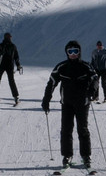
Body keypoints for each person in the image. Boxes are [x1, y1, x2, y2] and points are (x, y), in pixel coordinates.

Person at [42, 40, 98, 168]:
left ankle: (86, 156)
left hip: (82, 102)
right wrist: (46, 99)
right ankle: (67, 155)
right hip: (67, 103)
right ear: (67, 53)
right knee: (66, 129)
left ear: (79, 52)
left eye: (75, 51)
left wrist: (92, 91)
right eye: (70, 51)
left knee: (82, 129)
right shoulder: (61, 67)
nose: (73, 54)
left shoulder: (86, 66)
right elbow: (51, 83)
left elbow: (95, 79)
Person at [0, 32, 22, 104]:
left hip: (9, 65)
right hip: (2, 64)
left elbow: (16, 57)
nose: (9, 38)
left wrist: (18, 65)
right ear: (5, 38)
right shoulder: (1, 45)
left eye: (9, 37)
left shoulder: (12, 46)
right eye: (8, 37)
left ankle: (16, 96)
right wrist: (0, 53)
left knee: (10, 81)